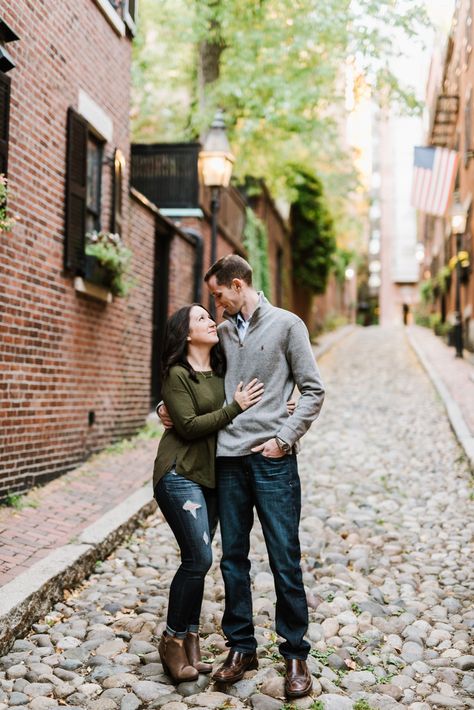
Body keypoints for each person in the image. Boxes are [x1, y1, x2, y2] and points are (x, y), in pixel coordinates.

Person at [159, 255, 325, 699]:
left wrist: (284, 438)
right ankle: (242, 647)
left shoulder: (289, 325)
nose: (215, 305)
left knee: (284, 557)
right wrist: (166, 408)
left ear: (237, 285)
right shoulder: (223, 334)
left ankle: (295, 655)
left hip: (273, 460)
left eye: (217, 295)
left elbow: (313, 389)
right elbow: (192, 375)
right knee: (233, 559)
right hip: (227, 461)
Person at [153, 303, 264, 683]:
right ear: (185, 333)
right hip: (179, 472)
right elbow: (185, 425)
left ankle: (190, 639)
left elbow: (262, 377)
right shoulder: (177, 373)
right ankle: (172, 639)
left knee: (196, 560)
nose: (211, 321)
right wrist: (235, 407)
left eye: (209, 315)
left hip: (212, 477)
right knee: (199, 557)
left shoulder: (221, 368)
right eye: (201, 318)